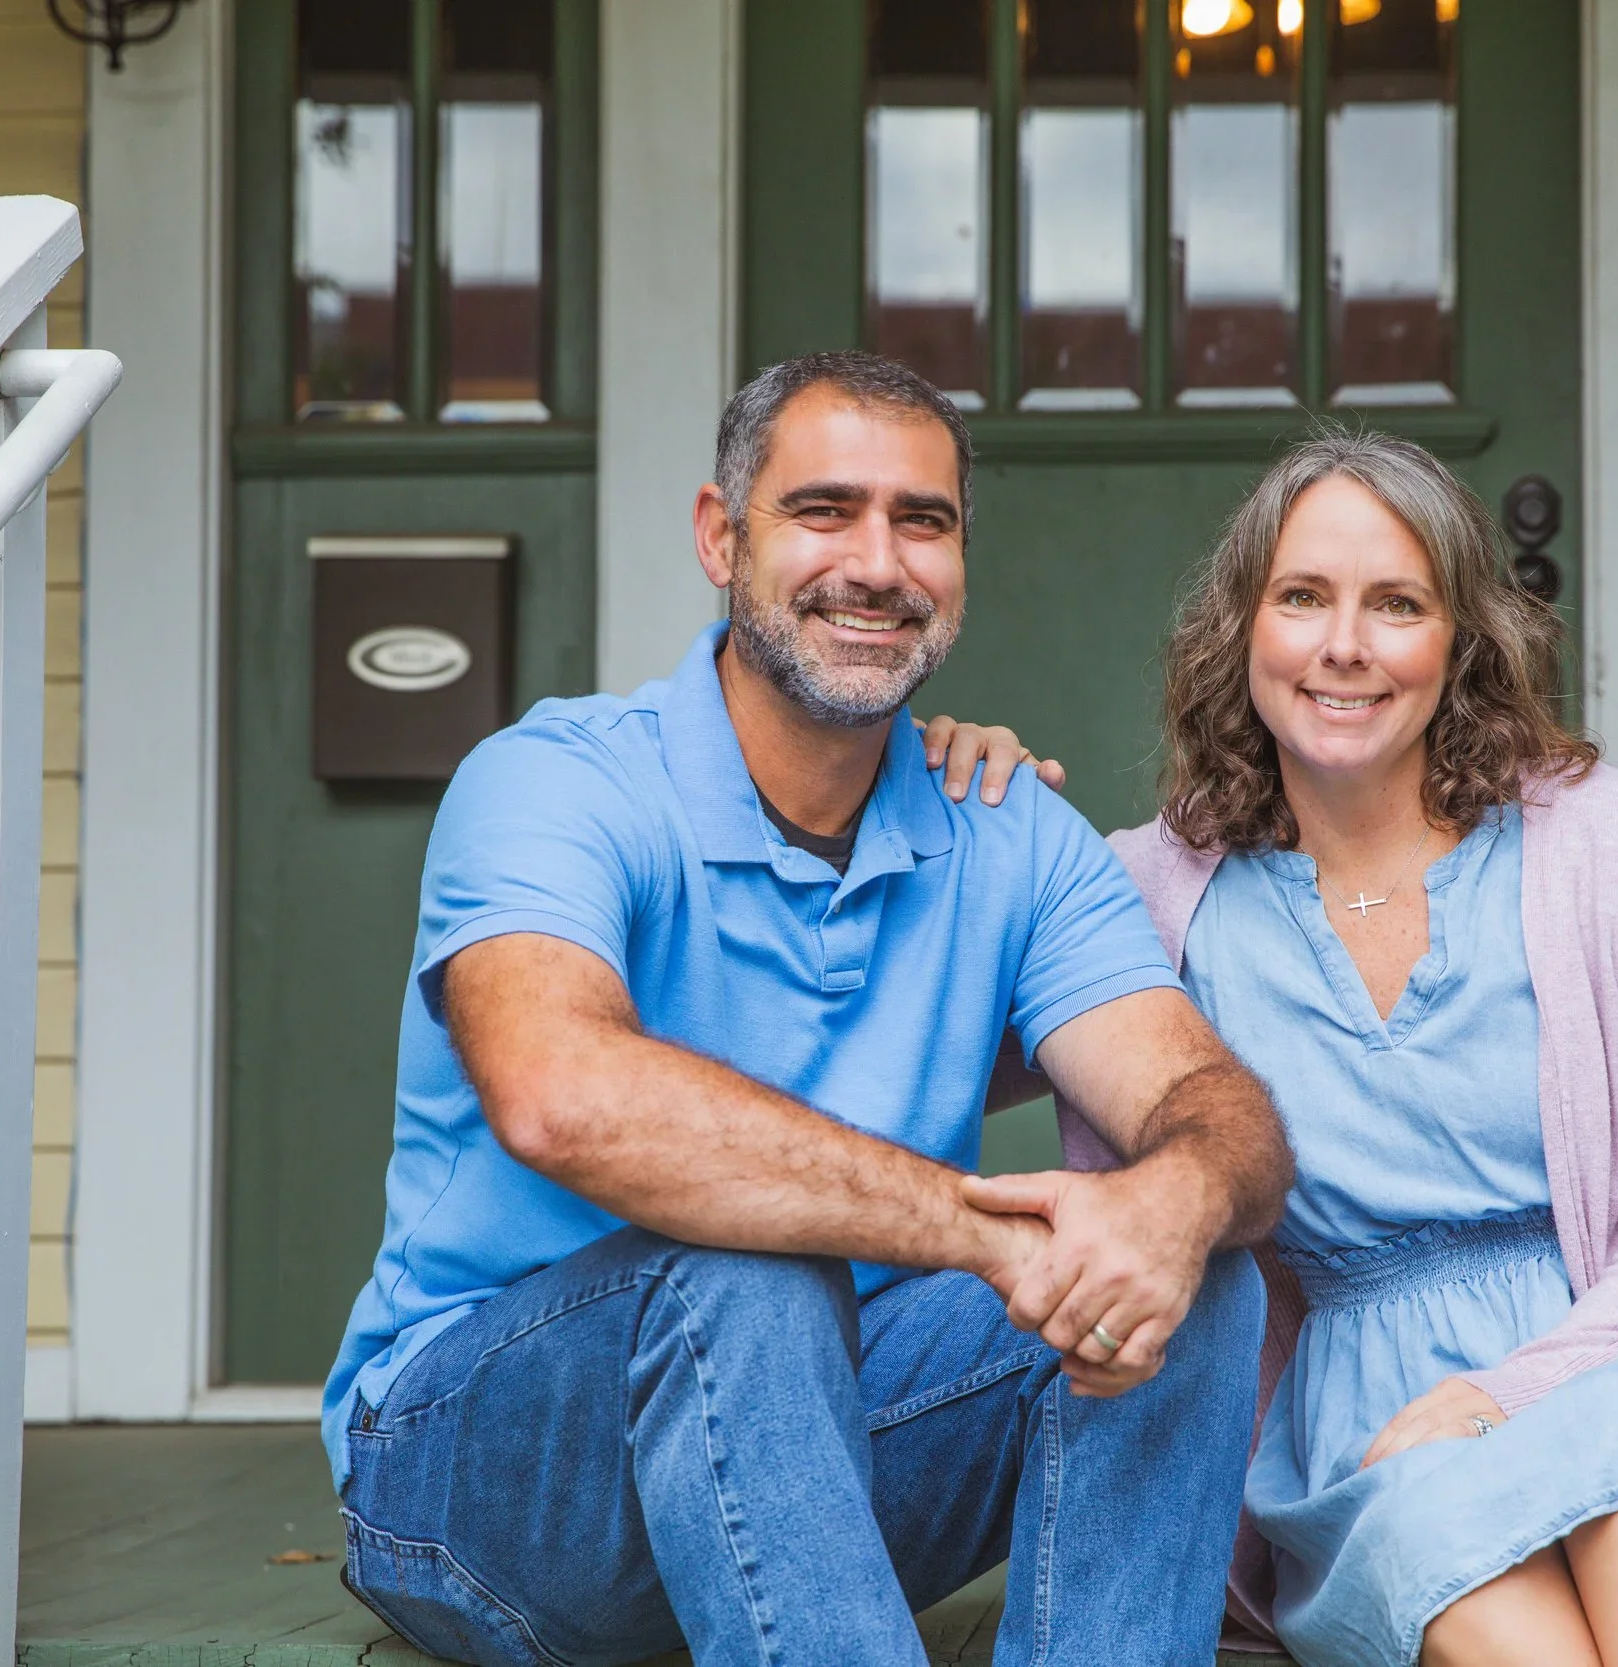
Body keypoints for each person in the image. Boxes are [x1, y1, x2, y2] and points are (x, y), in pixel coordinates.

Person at [322, 350, 1292, 1667]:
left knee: (1183, 1271)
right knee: (742, 1265)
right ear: (723, 537)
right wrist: (980, 1230)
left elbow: (1202, 1099)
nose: (880, 562)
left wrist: (1175, 1200)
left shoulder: (1011, 835)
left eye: (924, 520)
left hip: (810, 1448)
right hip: (481, 1480)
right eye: (825, 510)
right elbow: (560, 1094)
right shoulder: (557, 782)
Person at [934, 429, 1618, 1667]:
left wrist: (1521, 1388)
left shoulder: (1599, 839)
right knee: (1467, 1579)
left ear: (1462, 638)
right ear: (1241, 628)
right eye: (1302, 597)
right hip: (1379, 1430)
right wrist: (934, 808)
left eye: (1396, 603)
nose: (1343, 644)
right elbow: (919, 1058)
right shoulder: (1146, 890)